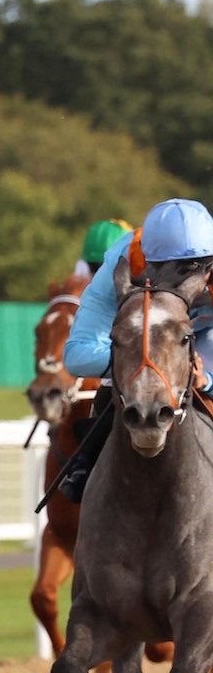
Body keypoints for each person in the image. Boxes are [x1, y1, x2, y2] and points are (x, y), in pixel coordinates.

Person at [57, 198, 213, 500]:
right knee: (121, 377)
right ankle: (86, 463)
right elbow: (76, 355)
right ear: (148, 262)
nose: (184, 283)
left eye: (195, 270)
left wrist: (206, 377)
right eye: (172, 270)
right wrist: (149, 360)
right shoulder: (118, 266)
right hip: (150, 338)